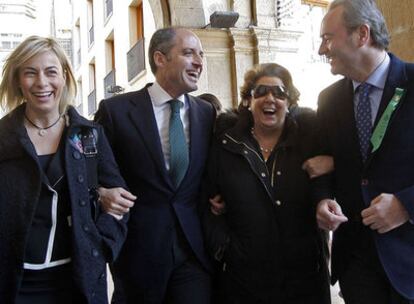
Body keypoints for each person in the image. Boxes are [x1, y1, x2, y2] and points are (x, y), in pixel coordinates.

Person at [0, 36, 135, 304]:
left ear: (64, 77)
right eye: (30, 73)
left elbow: (121, 203)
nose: (42, 82)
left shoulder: (89, 135)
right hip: (13, 282)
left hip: (76, 282)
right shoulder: (3, 137)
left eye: (51, 72)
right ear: (17, 80)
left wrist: (101, 245)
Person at [95, 27, 215, 304]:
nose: (199, 61)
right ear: (160, 59)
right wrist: (101, 192)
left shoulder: (206, 113)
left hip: (193, 253)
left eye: (201, 54)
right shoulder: (116, 112)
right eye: (188, 53)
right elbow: (92, 170)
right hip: (138, 255)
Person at [202, 62, 331, 304]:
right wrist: (224, 249)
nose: (270, 98)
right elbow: (206, 199)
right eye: (260, 92)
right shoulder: (226, 144)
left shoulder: (310, 143)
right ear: (248, 101)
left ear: (290, 102)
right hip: (243, 278)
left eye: (279, 93)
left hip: (303, 276)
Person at [313, 0, 414, 303]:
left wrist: (406, 205)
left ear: (362, 34)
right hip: (356, 262)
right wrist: (322, 200)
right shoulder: (329, 100)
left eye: (327, 38)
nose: (321, 50)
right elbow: (322, 165)